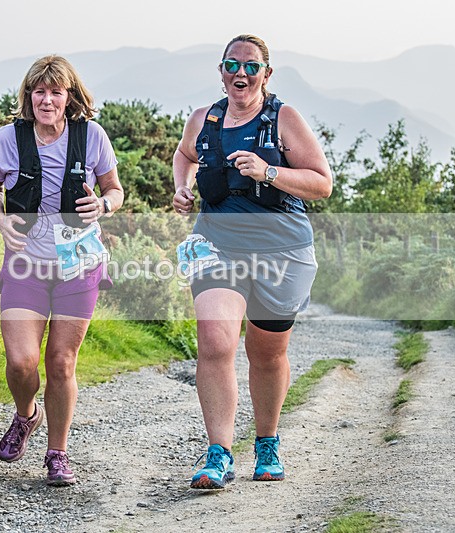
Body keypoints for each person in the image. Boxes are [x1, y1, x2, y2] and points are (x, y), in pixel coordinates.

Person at [172, 35, 332, 490]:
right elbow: (184, 156)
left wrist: (269, 172)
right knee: (216, 340)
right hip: (217, 242)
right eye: (231, 64)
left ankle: (267, 442)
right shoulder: (204, 119)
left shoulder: (284, 118)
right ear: (220, 70)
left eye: (251, 66)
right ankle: (218, 454)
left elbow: (322, 184)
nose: (240, 73)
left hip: (282, 250)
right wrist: (183, 188)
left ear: (266, 73)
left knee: (267, 351)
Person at [0, 55, 124, 486]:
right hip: (25, 261)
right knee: (21, 361)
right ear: (29, 97)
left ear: (69, 97)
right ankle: (27, 414)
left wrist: (102, 205)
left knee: (61, 362)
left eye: (55, 92)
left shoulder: (91, 136)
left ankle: (57, 454)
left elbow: (114, 190)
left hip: (78, 261)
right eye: (38, 92)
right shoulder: (8, 139)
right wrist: (0, 220)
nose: (46, 100)